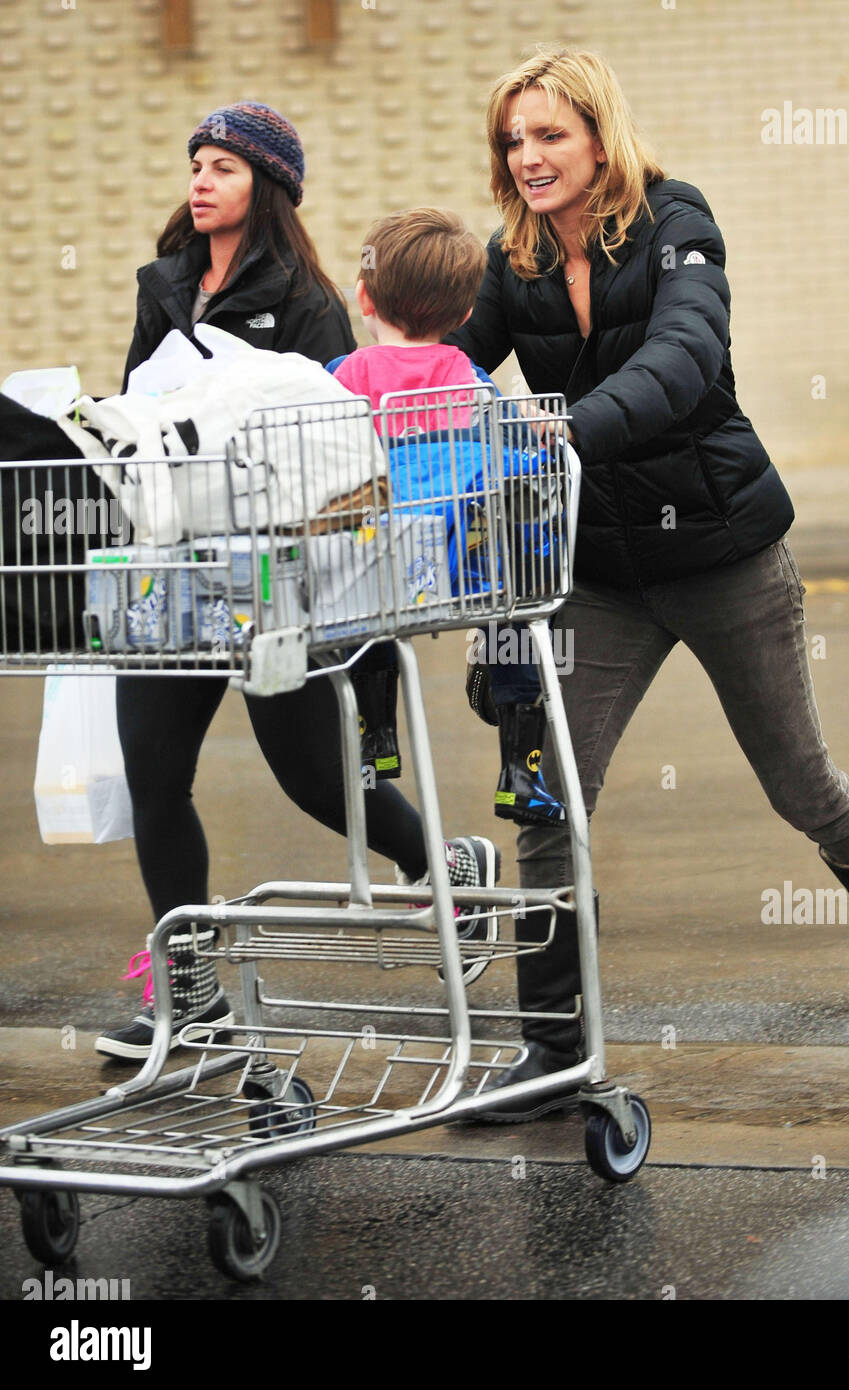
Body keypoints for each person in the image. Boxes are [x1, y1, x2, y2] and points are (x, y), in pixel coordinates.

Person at [444, 49, 849, 1121]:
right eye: (513, 140)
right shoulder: (511, 260)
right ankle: (549, 1047)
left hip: (721, 553)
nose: (528, 156)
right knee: (546, 793)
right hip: (593, 570)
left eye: (549, 134)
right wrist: (389, 394)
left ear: (598, 134)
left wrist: (562, 429)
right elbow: (450, 363)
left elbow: (683, 359)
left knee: (801, 785)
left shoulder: (677, 221)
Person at [97, 103, 498, 1062]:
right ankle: (189, 995)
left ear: (267, 188)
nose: (201, 179)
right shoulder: (165, 287)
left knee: (316, 779)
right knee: (155, 774)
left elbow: (331, 449)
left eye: (224, 166)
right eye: (195, 161)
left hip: (276, 574)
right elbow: (138, 414)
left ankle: (439, 863)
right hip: (174, 568)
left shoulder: (311, 304)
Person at [331, 205, 568, 830]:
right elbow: (517, 448)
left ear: (364, 296)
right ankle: (521, 771)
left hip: (385, 563)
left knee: (364, 609)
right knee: (513, 617)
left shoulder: (344, 381)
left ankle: (376, 739)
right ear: (466, 315)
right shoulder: (470, 381)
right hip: (467, 564)